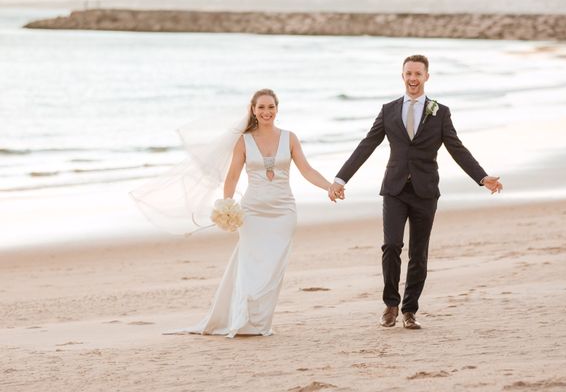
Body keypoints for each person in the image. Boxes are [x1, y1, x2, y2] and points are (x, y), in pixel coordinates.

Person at [328, 54, 503, 330]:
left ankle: (409, 310)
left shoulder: (440, 112)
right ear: (402, 76)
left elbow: (457, 149)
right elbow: (366, 145)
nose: (413, 78)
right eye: (408, 73)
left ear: (426, 77)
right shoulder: (388, 110)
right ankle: (390, 304)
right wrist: (340, 179)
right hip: (394, 190)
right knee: (391, 246)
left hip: (425, 192)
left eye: (418, 74)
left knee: (419, 254)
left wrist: (482, 177)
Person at [162, 88, 336, 338]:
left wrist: (329, 186)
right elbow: (232, 176)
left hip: (283, 211)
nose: (266, 112)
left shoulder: (290, 138)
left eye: (271, 107)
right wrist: (227, 205)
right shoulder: (243, 141)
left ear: (277, 109)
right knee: (250, 266)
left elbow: (307, 170)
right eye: (261, 107)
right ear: (253, 110)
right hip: (253, 211)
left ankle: (259, 323)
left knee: (273, 268)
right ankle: (242, 319)